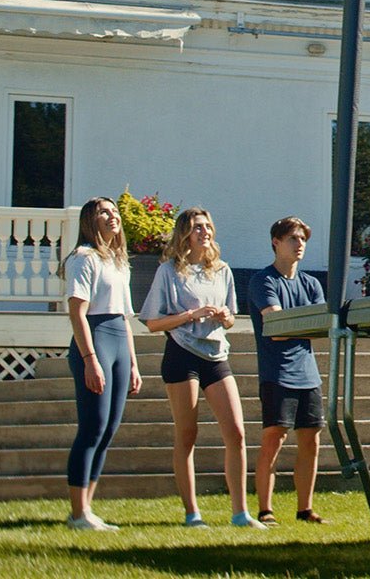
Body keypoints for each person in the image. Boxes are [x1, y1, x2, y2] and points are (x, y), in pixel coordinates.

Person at [139, 207, 266, 529]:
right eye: (198, 227)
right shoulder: (169, 271)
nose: (205, 232)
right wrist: (190, 316)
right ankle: (192, 513)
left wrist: (225, 318)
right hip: (181, 354)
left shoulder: (221, 270)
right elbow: (152, 323)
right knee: (187, 434)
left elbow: (232, 317)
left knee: (236, 432)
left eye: (208, 227)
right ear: (185, 233)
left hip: (217, 354)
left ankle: (241, 513)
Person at [63, 196, 142, 532]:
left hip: (119, 343)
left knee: (108, 430)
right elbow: (77, 312)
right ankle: (78, 513)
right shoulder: (83, 258)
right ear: (89, 221)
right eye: (104, 213)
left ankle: (86, 509)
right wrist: (90, 359)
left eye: (114, 212)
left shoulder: (118, 261)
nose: (112, 217)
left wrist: (134, 364)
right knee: (92, 427)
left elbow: (124, 317)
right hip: (95, 342)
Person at [249, 216, 328, 525]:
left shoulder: (311, 283)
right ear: (276, 243)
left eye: (303, 240)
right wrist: (302, 325)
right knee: (274, 437)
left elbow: (321, 328)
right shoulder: (263, 281)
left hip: (308, 373)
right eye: (293, 239)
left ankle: (304, 509)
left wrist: (297, 326)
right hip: (276, 372)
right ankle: (265, 510)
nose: (299, 245)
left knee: (312, 439)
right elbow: (276, 328)